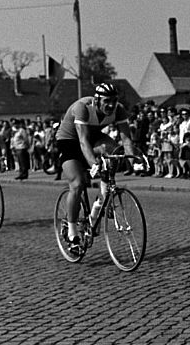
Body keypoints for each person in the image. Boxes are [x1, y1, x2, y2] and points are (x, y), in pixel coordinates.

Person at [54, 82, 136, 249]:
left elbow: (126, 139)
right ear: (97, 100)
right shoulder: (82, 107)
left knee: (112, 150)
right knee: (77, 184)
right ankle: (72, 232)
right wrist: (93, 164)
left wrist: (133, 161)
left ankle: (100, 204)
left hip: (93, 137)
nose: (111, 105)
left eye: (114, 100)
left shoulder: (118, 109)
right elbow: (83, 141)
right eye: (107, 101)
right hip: (69, 141)